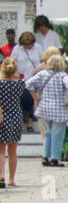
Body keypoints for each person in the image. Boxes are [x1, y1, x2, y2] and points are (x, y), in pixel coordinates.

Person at [27, 55, 68, 167]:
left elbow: (28, 83)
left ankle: (45, 156)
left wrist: (35, 96)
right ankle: (55, 158)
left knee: (48, 134)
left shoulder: (43, 74)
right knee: (57, 134)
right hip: (59, 108)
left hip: (44, 108)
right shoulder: (62, 75)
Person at [0, 59, 26, 187]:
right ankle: (11, 179)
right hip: (15, 117)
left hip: (1, 116)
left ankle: (1, 176)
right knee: (13, 151)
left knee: (1, 150)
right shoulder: (20, 84)